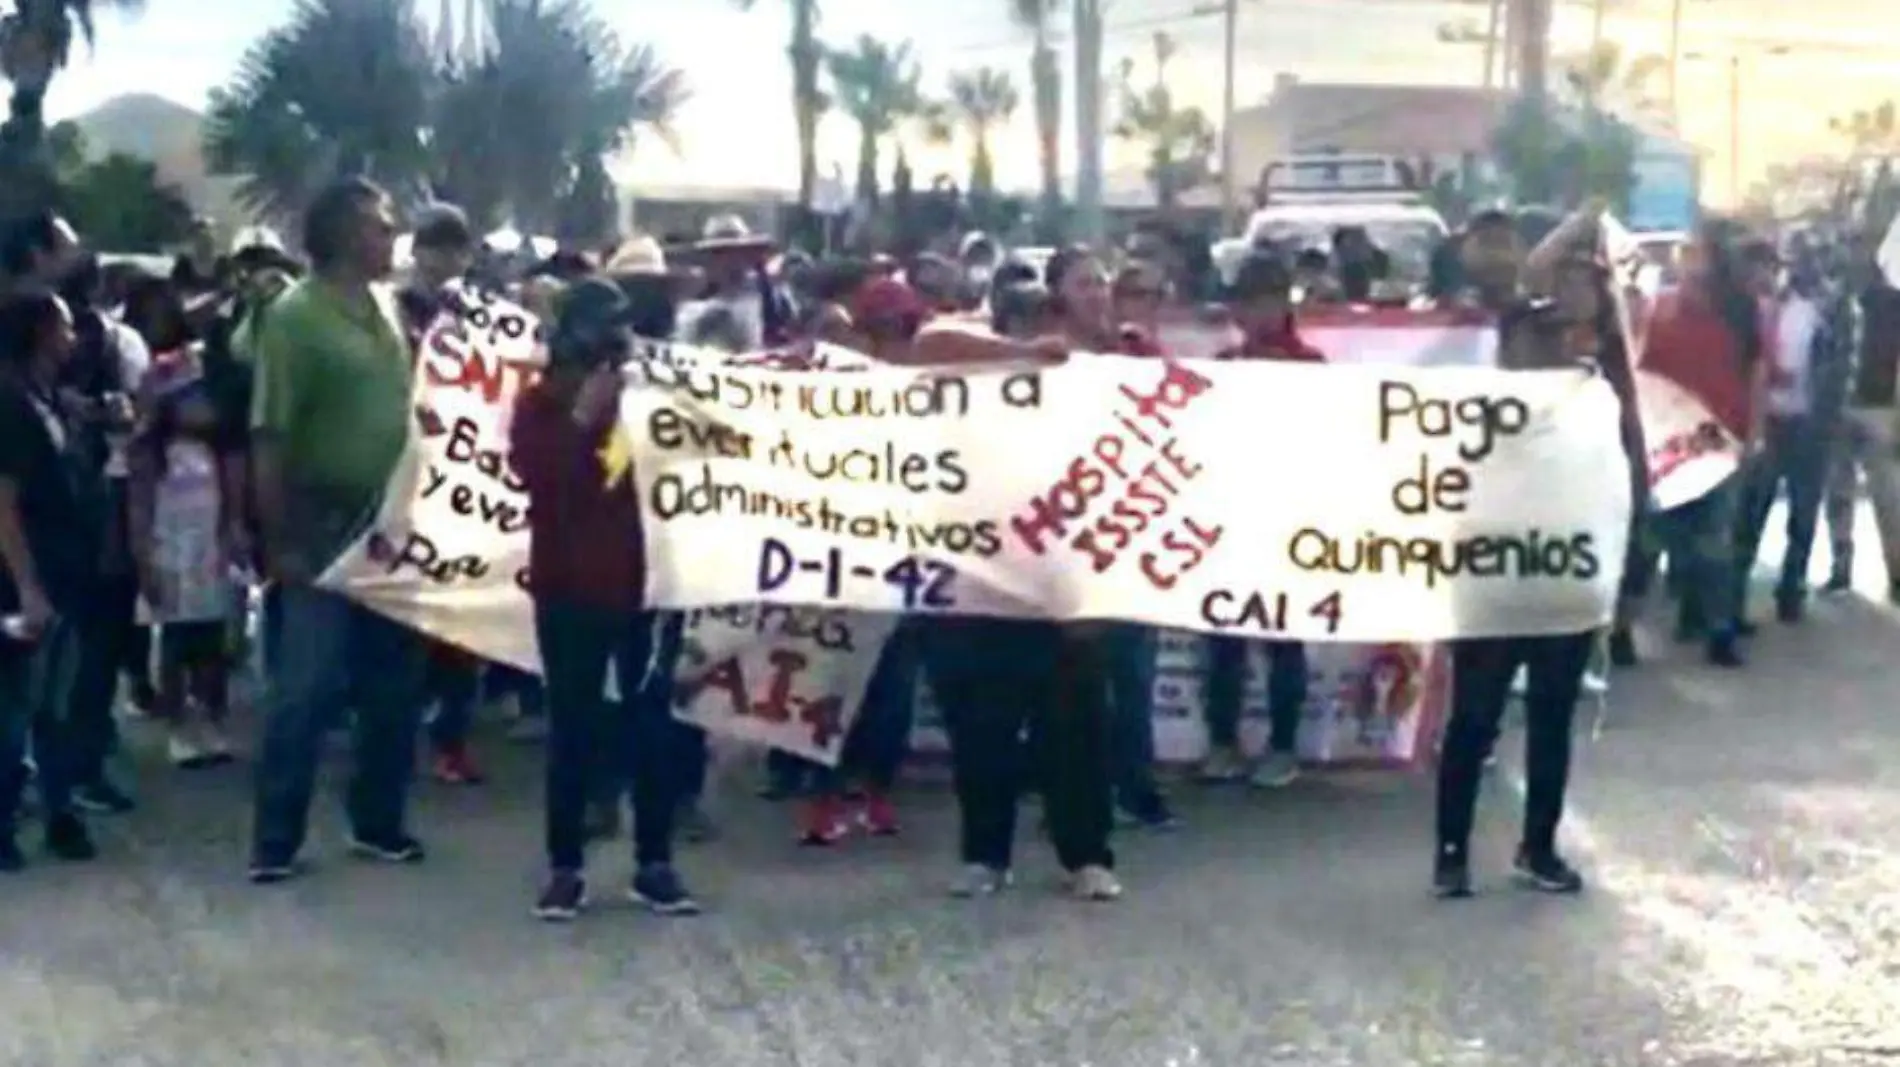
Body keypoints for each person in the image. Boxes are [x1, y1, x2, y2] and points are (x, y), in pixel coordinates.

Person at [245, 178, 429, 883]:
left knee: (394, 684)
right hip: (319, 519)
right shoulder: (294, 317)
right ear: (347, 234)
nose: (392, 237)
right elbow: (270, 435)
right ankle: (276, 837)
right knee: (307, 685)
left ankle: (378, 821)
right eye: (382, 226)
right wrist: (280, 539)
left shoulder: (385, 305)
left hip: (389, 519)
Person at [1432, 291, 1634, 900]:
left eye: (1557, 335)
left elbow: (1609, 493)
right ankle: (1450, 854)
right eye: (1538, 336)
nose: (1550, 347)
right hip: (1490, 590)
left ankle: (1537, 848)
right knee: (1472, 723)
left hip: (1559, 592)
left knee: (1550, 724)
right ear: (1507, 344)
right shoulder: (1469, 408)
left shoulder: (1585, 407)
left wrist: (1610, 582)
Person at [511, 278, 697, 922]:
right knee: (573, 728)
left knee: (653, 727)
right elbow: (544, 483)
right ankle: (566, 866)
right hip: (568, 589)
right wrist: (584, 416)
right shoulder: (539, 406)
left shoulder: (648, 399)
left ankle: (655, 860)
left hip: (644, 588)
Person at [1199, 252, 1321, 788]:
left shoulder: (1312, 367)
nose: (1257, 311)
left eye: (1268, 298)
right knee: (1222, 641)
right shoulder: (1222, 365)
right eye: (1247, 301)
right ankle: (1222, 742)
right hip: (1227, 520)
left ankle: (1283, 746)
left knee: (1283, 641)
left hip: (1286, 521)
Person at [0, 289, 103, 868]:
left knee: (54, 705)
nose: (72, 338)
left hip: (64, 569)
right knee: (17, 707)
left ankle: (60, 814)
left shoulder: (43, 399)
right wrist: (27, 585)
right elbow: (4, 501)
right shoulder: (8, 403)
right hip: (24, 576)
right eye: (63, 327)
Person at [1639, 219, 1766, 667]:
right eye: (1686, 253)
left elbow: (1756, 370)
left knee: (1716, 539)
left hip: (1722, 435)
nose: (1689, 260)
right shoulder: (1660, 309)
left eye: (1698, 252)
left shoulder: (1740, 310)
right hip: (1672, 439)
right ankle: (1629, 628)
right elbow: (1645, 373)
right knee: (1659, 537)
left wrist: (1755, 430)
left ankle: (1719, 630)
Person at [129, 352, 238, 768]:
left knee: (213, 642)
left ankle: (211, 719)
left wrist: (230, 537)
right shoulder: (149, 453)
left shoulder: (212, 449)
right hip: (168, 553)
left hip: (208, 552)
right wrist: (145, 563)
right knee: (176, 643)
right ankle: (177, 726)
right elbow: (138, 511)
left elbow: (226, 501)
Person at [1734, 247, 1833, 624]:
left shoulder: (1814, 315)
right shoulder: (1753, 313)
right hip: (1765, 421)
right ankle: (1733, 601)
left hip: (1805, 424)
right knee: (1751, 513)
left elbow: (1828, 365)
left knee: (1803, 512)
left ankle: (1791, 588)